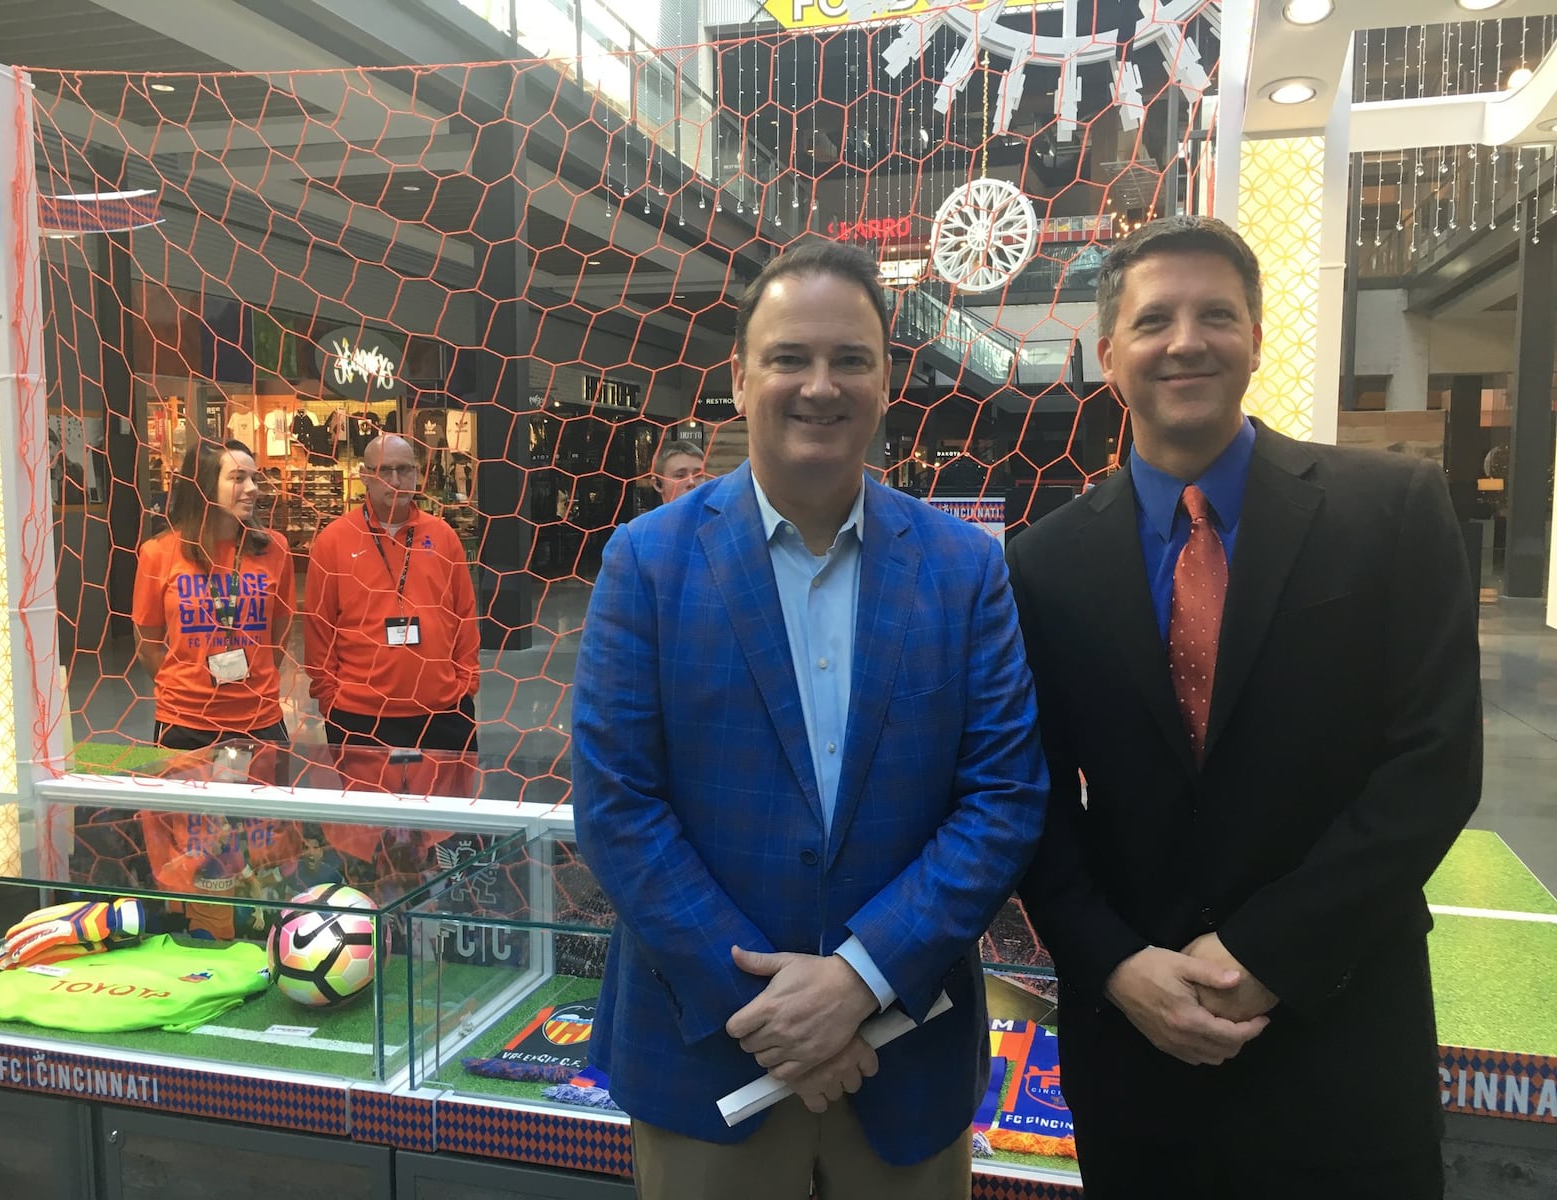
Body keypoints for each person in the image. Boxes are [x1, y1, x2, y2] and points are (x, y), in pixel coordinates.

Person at [1005, 215, 1482, 1198]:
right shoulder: (1043, 564)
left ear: (1258, 337)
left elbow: (1434, 766)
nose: (1185, 340)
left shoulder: (1387, 511)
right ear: (1110, 353)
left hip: (1337, 1022)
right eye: (1154, 320)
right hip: (1139, 1046)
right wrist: (1115, 965)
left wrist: (1266, 954)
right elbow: (1030, 798)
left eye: (1215, 314)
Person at [573, 240, 1049, 1199]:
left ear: (887, 380)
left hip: (903, 1067)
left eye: (851, 360)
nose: (819, 386)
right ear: (740, 380)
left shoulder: (964, 570)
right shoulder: (647, 563)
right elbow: (619, 806)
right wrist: (774, 1013)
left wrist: (859, 983)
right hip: (708, 1060)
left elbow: (1003, 799)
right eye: (789, 358)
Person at [303, 433, 480, 752]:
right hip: (360, 714)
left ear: (418, 473)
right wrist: (330, 698)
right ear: (364, 476)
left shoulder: (443, 536)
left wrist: (465, 685)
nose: (395, 480)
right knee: (368, 802)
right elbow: (319, 627)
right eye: (384, 471)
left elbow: (465, 615)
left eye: (405, 469)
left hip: (442, 711)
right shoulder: (334, 541)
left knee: (446, 800)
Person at [133, 438, 292, 749]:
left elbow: (279, 637)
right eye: (237, 478)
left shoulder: (275, 549)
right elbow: (148, 645)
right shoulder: (158, 552)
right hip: (185, 721)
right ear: (203, 485)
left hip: (259, 717)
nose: (252, 489)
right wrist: (190, 689)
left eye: (253, 478)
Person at [650, 437, 707, 505]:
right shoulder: (650, 516)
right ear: (657, 484)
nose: (691, 482)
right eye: (680, 475)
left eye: (698, 475)